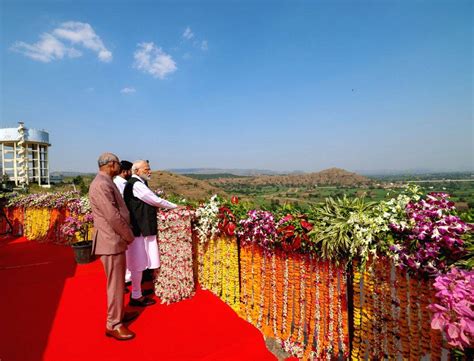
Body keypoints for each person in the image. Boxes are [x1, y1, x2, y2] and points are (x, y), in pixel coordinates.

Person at [89, 152, 137, 341]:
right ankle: (113, 324)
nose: (120, 166)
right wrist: (128, 235)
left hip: (114, 240)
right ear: (110, 165)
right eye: (118, 163)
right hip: (111, 240)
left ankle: (119, 314)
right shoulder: (101, 184)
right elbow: (112, 216)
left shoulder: (106, 181)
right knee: (116, 284)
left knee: (117, 283)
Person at [123, 159, 177, 306]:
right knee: (138, 263)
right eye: (146, 169)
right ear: (137, 171)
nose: (149, 171)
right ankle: (136, 295)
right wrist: (175, 206)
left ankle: (137, 291)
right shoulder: (136, 184)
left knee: (139, 262)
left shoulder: (137, 182)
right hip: (138, 230)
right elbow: (154, 200)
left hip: (140, 229)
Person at [113, 160, 133, 285]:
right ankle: (126, 278)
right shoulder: (120, 184)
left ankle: (126, 277)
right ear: (125, 171)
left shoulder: (117, 182)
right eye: (130, 170)